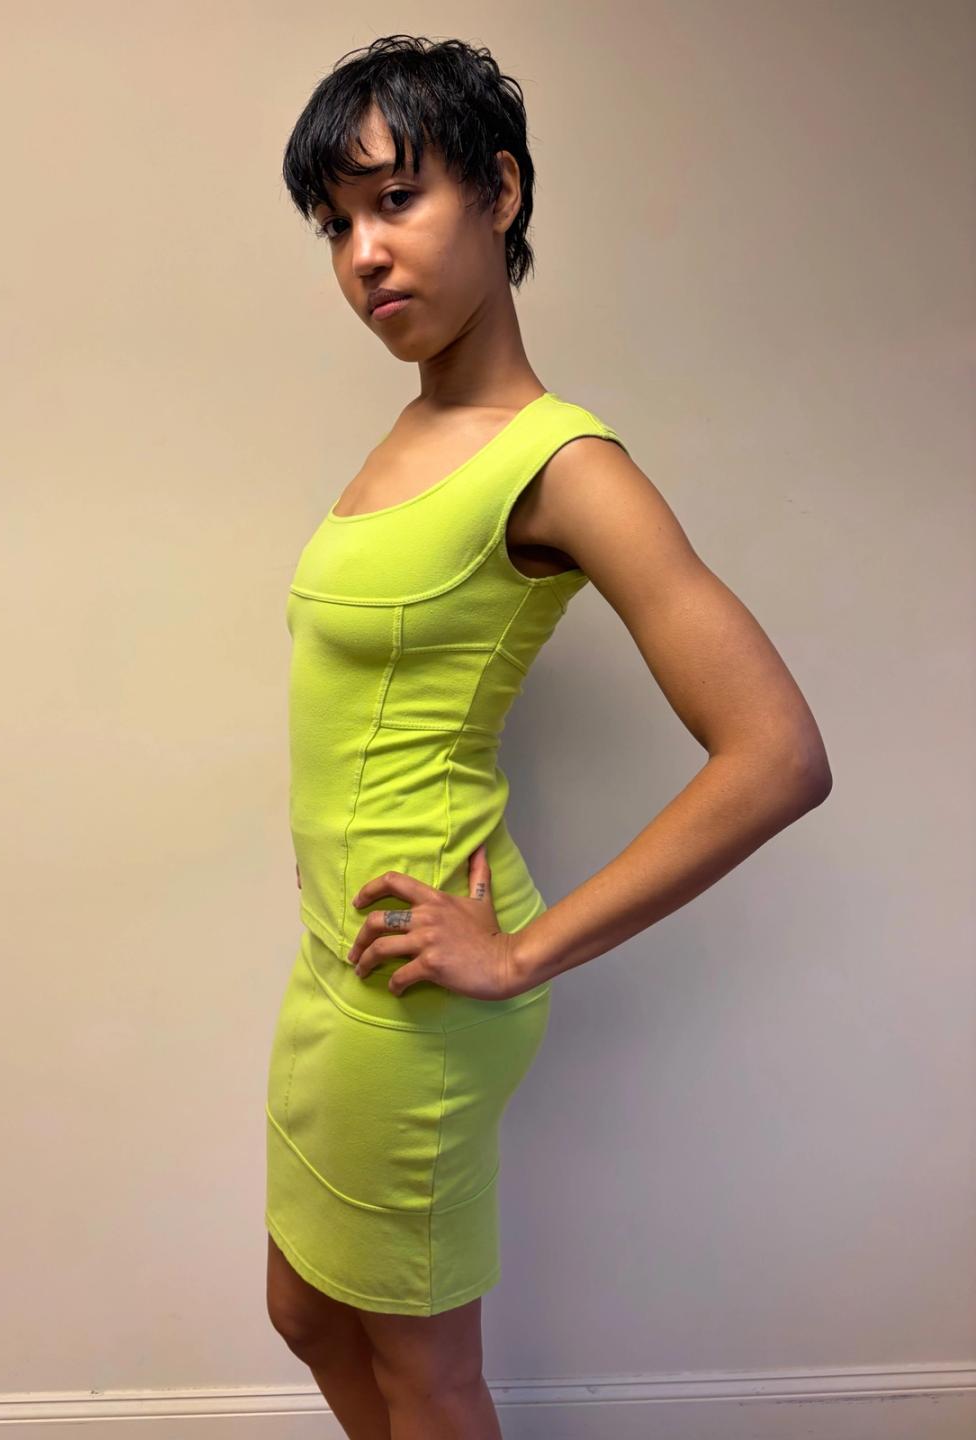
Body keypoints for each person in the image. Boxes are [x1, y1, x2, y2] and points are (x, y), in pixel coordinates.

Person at [265, 34, 832, 1440]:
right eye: (336, 224)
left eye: (396, 200)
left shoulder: (562, 463)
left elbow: (776, 752)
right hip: (336, 958)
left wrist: (518, 956)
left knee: (427, 1373)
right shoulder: (409, 435)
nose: (363, 255)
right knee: (307, 1313)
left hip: (420, 995)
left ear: (502, 190)